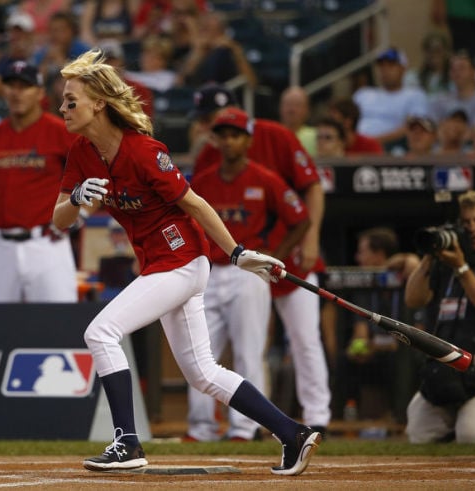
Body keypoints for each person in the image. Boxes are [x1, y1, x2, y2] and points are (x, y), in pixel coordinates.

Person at [53, 49, 322, 475]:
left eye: (71, 100)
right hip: (162, 265)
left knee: (100, 332)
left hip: (181, 261)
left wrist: (236, 252)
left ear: (99, 103)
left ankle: (127, 442)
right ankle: (291, 433)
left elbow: (195, 204)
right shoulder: (82, 152)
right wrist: (77, 199)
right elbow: (59, 219)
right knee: (202, 373)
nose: (63, 108)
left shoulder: (143, 151)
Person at [190, 84, 331, 436]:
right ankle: (208, 426)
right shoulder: (209, 161)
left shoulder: (276, 139)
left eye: (228, 128)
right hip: (229, 266)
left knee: (302, 338)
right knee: (208, 348)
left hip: (278, 263)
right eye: (212, 125)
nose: (220, 134)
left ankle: (317, 417)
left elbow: (310, 191)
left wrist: (303, 245)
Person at [0, 61, 79, 303]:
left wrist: (80, 211)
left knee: (57, 328)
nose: (17, 92)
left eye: (25, 86)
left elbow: (95, 173)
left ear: (39, 93)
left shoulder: (60, 132)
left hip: (47, 243)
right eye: (11, 86)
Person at [404, 190, 475, 443]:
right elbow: (413, 299)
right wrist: (429, 257)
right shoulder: (446, 262)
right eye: (466, 222)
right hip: (448, 368)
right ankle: (460, 419)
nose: (473, 228)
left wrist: (462, 268)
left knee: (472, 436)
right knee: (419, 435)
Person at [341, 227, 420, 425]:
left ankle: (402, 419)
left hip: (407, 350)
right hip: (378, 352)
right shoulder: (364, 286)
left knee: (406, 357)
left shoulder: (408, 277)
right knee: (347, 360)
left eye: (363, 252)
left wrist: (408, 259)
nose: (358, 258)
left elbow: (419, 333)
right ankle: (350, 422)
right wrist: (357, 348)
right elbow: (360, 334)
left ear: (379, 254)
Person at [353, 47, 430, 151]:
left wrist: (370, 143)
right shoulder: (363, 94)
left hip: (391, 148)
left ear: (403, 68)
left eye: (391, 65)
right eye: (381, 66)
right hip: (356, 148)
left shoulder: (414, 95)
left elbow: (414, 127)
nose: (385, 70)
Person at [177, 11, 257, 88]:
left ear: (223, 33)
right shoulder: (196, 51)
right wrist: (198, 52)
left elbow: (252, 83)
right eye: (204, 29)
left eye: (211, 29)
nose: (206, 35)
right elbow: (179, 84)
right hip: (195, 94)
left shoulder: (229, 51)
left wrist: (236, 51)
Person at [429, 50, 475, 128]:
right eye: (453, 69)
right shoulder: (439, 102)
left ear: (474, 72)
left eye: (462, 68)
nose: (457, 72)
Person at [32, 11, 90, 82]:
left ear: (71, 31)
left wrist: (60, 60)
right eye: (52, 30)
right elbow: (36, 81)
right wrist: (45, 62)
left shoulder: (83, 51)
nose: (55, 35)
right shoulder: (44, 52)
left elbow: (82, 81)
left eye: (61, 30)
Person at [279, 85, 317, 157]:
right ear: (280, 107)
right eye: (288, 104)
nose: (292, 110)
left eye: (297, 105)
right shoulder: (271, 135)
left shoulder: (318, 136)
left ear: (307, 110)